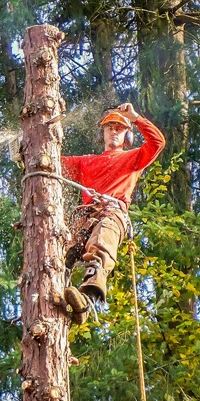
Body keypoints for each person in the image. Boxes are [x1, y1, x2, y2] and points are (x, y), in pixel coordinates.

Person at [61, 103, 166, 324]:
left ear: (127, 134)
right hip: (85, 217)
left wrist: (135, 118)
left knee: (102, 242)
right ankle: (54, 293)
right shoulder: (87, 161)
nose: (114, 131)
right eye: (110, 127)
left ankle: (87, 300)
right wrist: (27, 154)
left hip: (112, 213)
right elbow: (53, 165)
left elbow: (157, 143)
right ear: (103, 132)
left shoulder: (134, 158)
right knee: (62, 253)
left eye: (119, 128)